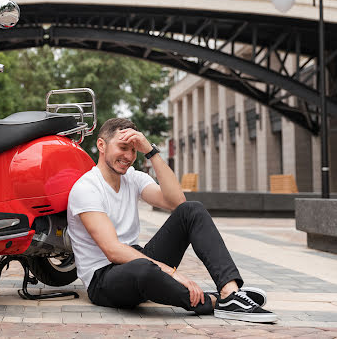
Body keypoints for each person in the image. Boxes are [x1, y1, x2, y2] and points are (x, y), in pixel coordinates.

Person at [66, 118, 277, 323]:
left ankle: (230, 292)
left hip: (138, 261)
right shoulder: (87, 188)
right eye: (123, 147)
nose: (129, 156)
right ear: (101, 145)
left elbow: (177, 202)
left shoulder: (133, 178)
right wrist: (172, 273)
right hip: (103, 279)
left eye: (133, 149)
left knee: (192, 210)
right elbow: (112, 250)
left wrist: (151, 151)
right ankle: (213, 301)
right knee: (145, 269)